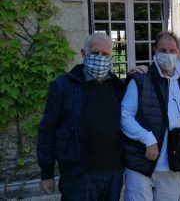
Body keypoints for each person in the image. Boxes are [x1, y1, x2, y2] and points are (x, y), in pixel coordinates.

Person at [36, 32, 125, 200]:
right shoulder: (62, 86)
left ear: (111, 56)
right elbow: (47, 131)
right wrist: (46, 173)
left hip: (113, 173)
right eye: (95, 53)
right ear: (84, 53)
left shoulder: (117, 86)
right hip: (78, 176)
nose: (100, 57)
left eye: (105, 54)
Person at [121, 31, 180, 201]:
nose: (168, 55)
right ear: (155, 51)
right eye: (163, 50)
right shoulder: (140, 79)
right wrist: (148, 139)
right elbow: (125, 116)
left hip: (172, 162)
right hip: (141, 161)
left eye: (172, 51)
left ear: (179, 53)